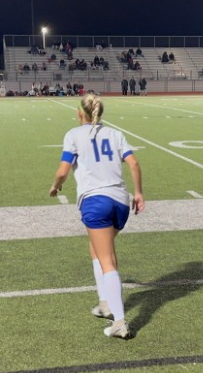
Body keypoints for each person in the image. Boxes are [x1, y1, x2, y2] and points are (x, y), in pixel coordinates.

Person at [49, 93, 144, 339]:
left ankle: (119, 321)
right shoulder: (115, 134)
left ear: (80, 113)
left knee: (106, 260)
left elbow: (63, 170)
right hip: (120, 202)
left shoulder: (73, 134)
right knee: (101, 250)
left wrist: (56, 185)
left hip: (95, 201)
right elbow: (133, 164)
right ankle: (104, 303)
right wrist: (139, 193)